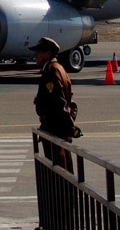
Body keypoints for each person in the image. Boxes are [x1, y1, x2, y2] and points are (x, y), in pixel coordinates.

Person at [30, 37, 78, 173]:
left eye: (38, 52)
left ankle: (65, 194)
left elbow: (58, 102)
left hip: (55, 131)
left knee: (59, 171)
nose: (35, 55)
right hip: (58, 130)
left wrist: (69, 127)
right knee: (64, 171)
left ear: (48, 54)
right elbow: (69, 101)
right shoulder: (58, 68)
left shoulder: (52, 71)